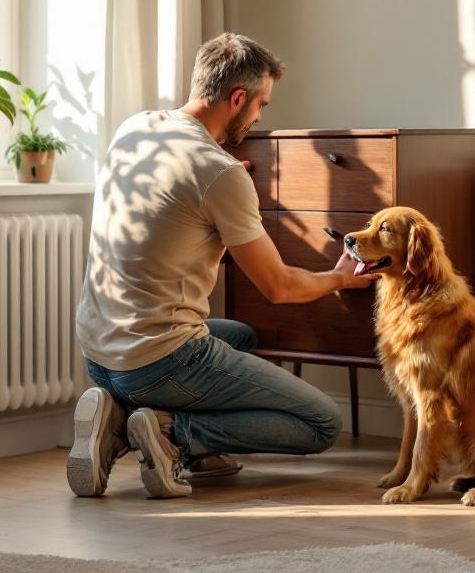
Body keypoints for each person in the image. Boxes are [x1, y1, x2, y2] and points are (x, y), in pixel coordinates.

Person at [68, 33, 379, 499]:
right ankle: (172, 434)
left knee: (240, 335)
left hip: (98, 353)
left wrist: (225, 181)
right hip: (159, 362)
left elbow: (177, 201)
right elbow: (279, 287)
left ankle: (116, 415)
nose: (258, 118)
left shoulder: (136, 128)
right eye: (261, 106)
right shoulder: (219, 173)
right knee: (321, 422)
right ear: (238, 98)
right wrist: (337, 277)